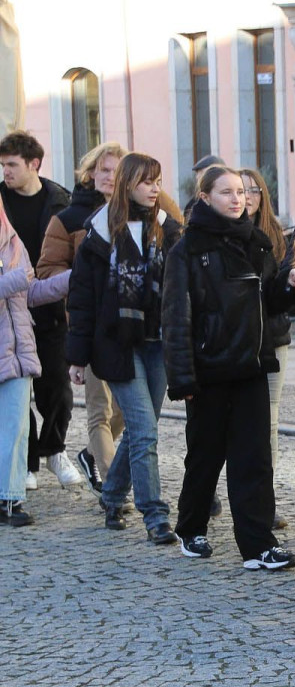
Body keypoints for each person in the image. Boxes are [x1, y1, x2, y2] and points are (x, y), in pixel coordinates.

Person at [162, 165, 295, 570]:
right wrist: (182, 376)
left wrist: (287, 285)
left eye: (241, 191)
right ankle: (192, 528)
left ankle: (257, 545)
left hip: (252, 367)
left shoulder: (256, 243)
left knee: (254, 458)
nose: (237, 199)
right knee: (205, 456)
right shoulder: (186, 250)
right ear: (205, 198)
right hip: (207, 372)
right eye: (226, 192)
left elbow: (269, 304)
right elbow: (175, 318)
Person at [65, 153, 181, 545]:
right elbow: (82, 300)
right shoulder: (99, 234)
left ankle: (112, 496)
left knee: (137, 430)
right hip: (115, 344)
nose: (154, 188)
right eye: (147, 181)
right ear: (128, 183)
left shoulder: (168, 229)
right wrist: (77, 358)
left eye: (158, 181)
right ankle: (155, 515)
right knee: (145, 429)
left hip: (157, 340)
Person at [38, 141, 128, 498]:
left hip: (135, 326)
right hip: (90, 325)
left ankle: (92, 455)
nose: (110, 177)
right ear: (91, 174)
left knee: (132, 410)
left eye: (117, 170)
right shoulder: (69, 218)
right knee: (100, 409)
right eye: (104, 170)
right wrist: (85, 278)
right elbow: (46, 271)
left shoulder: (144, 209)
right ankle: (112, 489)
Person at [0, 131, 78, 491]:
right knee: (18, 394)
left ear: (34, 164)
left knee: (58, 389)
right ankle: (29, 461)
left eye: (12, 165)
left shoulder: (60, 199)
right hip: (11, 308)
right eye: (2, 165)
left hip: (48, 306)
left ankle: (55, 450)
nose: (6, 172)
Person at [0, 202, 70, 526]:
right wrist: (15, 279)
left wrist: (72, 278)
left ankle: (10, 499)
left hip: (18, 352)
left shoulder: (12, 243)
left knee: (16, 428)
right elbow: (18, 282)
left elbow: (31, 292)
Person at [242, 167, 295, 531]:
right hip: (233, 344)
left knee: (269, 424)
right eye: (237, 190)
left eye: (253, 191)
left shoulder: (276, 237)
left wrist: (288, 282)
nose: (245, 197)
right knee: (237, 426)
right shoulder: (218, 239)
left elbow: (280, 301)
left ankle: (266, 500)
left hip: (273, 340)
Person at [182, 154, 225, 219]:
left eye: (201, 173)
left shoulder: (231, 200)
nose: (197, 177)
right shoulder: (194, 203)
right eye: (197, 173)